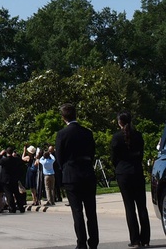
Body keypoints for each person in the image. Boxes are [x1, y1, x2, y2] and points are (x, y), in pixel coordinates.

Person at [55, 103, 99, 249]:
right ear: (76, 115)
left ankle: (81, 243)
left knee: (77, 211)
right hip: (87, 172)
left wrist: (64, 169)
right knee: (91, 211)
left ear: (63, 118)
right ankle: (94, 241)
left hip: (71, 174)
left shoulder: (62, 134)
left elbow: (59, 157)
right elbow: (92, 153)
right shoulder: (87, 132)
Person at [111, 111, 150, 248]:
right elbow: (141, 154)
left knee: (129, 207)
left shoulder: (116, 138)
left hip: (123, 173)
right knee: (142, 206)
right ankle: (145, 238)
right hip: (137, 171)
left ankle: (135, 240)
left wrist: (120, 167)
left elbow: (114, 158)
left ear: (119, 122)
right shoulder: (138, 135)